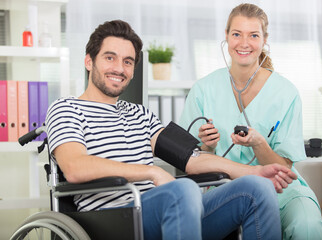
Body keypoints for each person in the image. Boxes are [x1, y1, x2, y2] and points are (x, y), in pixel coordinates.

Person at [46, 19, 297, 240]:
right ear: (89, 61)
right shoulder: (66, 109)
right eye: (110, 58)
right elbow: (76, 168)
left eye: (128, 61)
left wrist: (254, 170)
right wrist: (151, 172)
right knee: (182, 189)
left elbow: (192, 159)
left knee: (257, 188)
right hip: (110, 220)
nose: (119, 69)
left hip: (167, 210)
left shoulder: (140, 114)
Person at [179, 3, 322, 240]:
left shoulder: (285, 92)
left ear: (264, 40)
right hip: (225, 190)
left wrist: (259, 143)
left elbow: (284, 168)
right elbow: (185, 159)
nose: (244, 43)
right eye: (236, 34)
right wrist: (206, 146)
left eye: (253, 35)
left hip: (281, 190)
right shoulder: (203, 90)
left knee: (307, 228)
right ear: (226, 37)